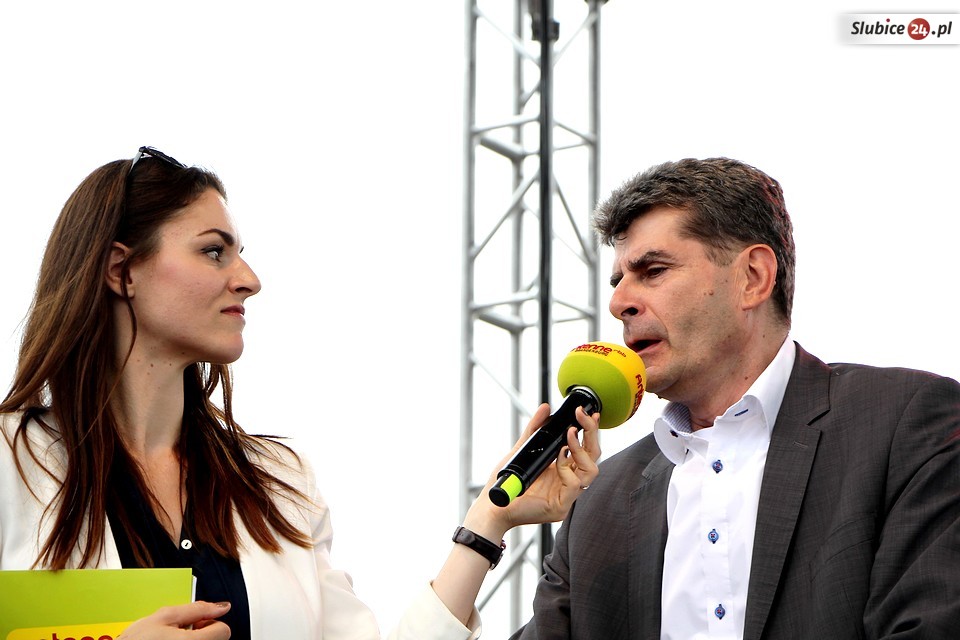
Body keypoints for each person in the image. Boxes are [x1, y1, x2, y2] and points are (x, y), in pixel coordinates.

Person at [0, 146, 601, 640]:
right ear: (120, 270)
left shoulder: (277, 483)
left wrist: (488, 521)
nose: (249, 280)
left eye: (239, 254)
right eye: (213, 251)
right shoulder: (11, 463)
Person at [510, 157, 960, 639]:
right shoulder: (599, 504)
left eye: (653, 270)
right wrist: (486, 525)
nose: (619, 303)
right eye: (619, 281)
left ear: (753, 277)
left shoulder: (905, 423)